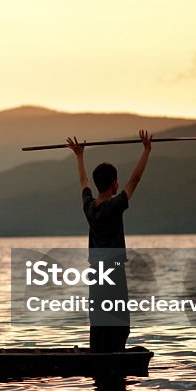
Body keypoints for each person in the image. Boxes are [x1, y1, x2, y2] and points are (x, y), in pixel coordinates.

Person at [66, 130, 152, 352]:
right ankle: (113, 357)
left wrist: (79, 156)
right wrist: (146, 151)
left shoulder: (89, 207)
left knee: (100, 319)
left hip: (96, 272)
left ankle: (99, 354)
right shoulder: (114, 207)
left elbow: (83, 181)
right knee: (119, 320)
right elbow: (136, 179)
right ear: (114, 183)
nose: (119, 185)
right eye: (117, 182)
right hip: (113, 271)